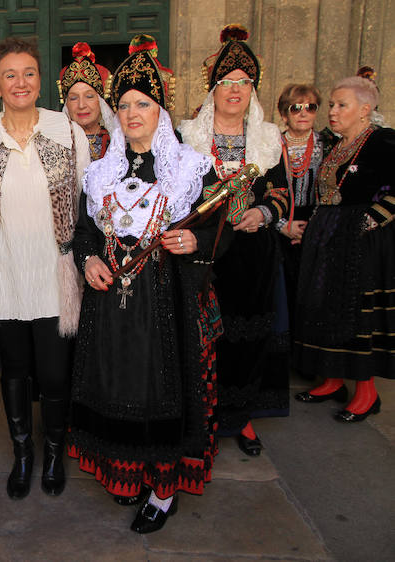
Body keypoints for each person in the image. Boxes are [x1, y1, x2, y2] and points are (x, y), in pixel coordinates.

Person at [71, 36, 230, 535]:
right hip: (112, 308)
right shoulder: (101, 173)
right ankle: (132, 473)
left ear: (161, 109)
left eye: (142, 103)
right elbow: (83, 233)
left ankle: (163, 489)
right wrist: (88, 259)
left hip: (167, 303)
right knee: (122, 386)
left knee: (162, 389)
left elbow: (219, 238)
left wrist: (192, 241)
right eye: (122, 105)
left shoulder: (190, 169)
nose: (131, 112)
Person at [0, 36, 89, 499]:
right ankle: (23, 456)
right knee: (14, 371)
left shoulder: (67, 131)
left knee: (54, 374)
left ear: (42, 81)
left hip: (56, 274)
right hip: (7, 273)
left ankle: (54, 453)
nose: (21, 82)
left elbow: (85, 202)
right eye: (10, 75)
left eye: (29, 73)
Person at [178, 24, 290, 457]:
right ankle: (201, 414)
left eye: (244, 83)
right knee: (203, 336)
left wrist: (263, 212)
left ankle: (240, 418)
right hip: (203, 256)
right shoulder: (188, 137)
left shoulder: (268, 138)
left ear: (253, 89)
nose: (235, 90)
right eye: (227, 82)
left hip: (252, 255)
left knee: (246, 337)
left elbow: (280, 191)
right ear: (213, 88)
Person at [293, 74, 394, 421]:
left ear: (365, 110)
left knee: (355, 311)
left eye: (341, 105)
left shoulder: (383, 141)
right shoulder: (335, 144)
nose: (332, 111)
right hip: (328, 234)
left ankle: (367, 393)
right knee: (324, 305)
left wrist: (373, 218)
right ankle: (332, 378)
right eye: (332, 105)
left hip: (361, 238)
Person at [275, 84, 324, 348]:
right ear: (285, 114)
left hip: (316, 224)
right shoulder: (273, 144)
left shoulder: (328, 145)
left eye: (310, 107)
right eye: (296, 108)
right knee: (286, 288)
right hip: (281, 223)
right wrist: (283, 225)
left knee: (312, 290)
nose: (303, 113)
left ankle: (309, 350)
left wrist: (314, 226)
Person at [57, 41, 114, 161]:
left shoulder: (115, 142)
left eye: (89, 97)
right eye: (73, 98)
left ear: (101, 102)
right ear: (66, 105)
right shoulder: (56, 143)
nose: (81, 105)